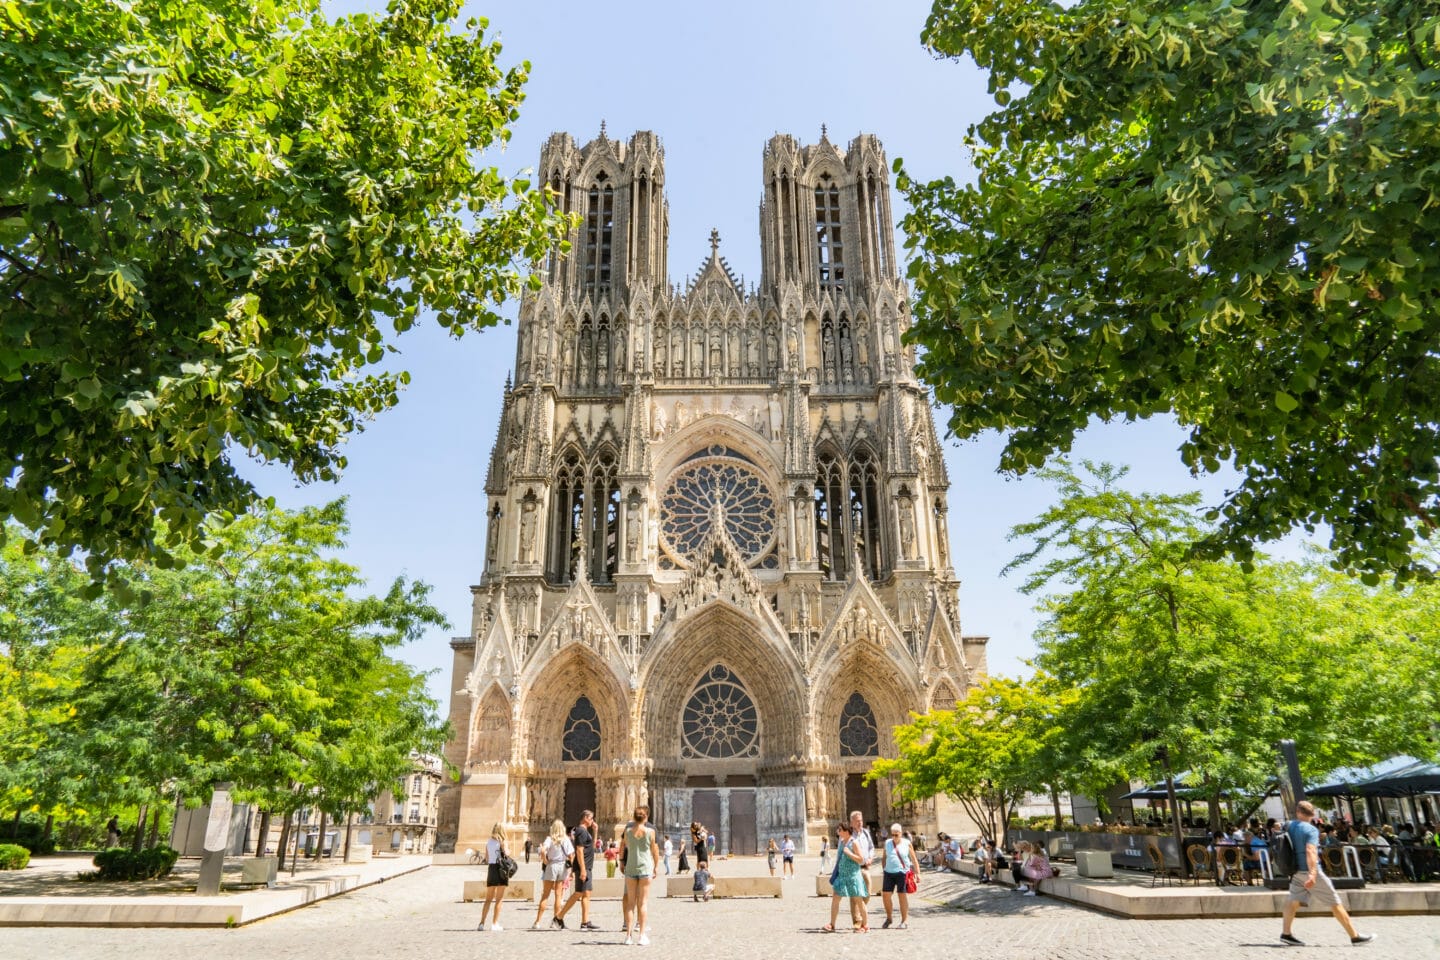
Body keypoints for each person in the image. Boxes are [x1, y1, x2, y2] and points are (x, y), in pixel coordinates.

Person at [1280, 800, 1375, 947]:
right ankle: (1354, 936)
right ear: (1312, 814)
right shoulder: (1311, 830)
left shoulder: (1290, 826)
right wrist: (1312, 874)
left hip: (1295, 870)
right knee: (1335, 902)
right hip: (1310, 871)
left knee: (1293, 900)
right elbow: (1311, 851)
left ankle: (1286, 933)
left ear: (1298, 812)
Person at [621, 805, 661, 946]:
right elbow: (654, 850)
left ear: (633, 817)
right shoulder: (650, 832)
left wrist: (621, 862)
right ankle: (642, 935)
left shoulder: (627, 831)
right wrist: (656, 866)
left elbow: (623, 847)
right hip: (645, 868)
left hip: (630, 868)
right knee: (642, 903)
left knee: (630, 904)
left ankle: (628, 936)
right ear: (645, 817)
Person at [554, 809, 598, 931]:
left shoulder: (585, 832)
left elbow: (592, 847)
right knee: (579, 893)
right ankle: (559, 917)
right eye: (591, 818)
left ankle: (584, 922)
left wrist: (595, 830)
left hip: (587, 866)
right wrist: (582, 870)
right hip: (583, 867)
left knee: (586, 893)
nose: (592, 820)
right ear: (585, 818)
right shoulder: (581, 831)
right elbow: (579, 850)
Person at [824, 821, 869, 933]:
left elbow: (861, 859)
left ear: (846, 831)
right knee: (835, 898)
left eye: (839, 830)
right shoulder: (842, 842)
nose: (838, 832)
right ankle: (832, 924)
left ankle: (865, 926)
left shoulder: (854, 843)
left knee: (858, 900)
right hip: (842, 876)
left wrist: (849, 853)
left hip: (853, 876)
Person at [532, 819, 573, 929]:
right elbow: (571, 855)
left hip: (552, 866)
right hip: (562, 867)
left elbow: (542, 850)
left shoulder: (550, 839)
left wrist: (545, 860)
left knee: (545, 895)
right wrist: (572, 871)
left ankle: (537, 922)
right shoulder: (566, 840)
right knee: (558, 896)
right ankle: (555, 921)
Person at [880, 822, 919, 929]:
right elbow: (884, 857)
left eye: (896, 835)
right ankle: (889, 918)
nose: (894, 837)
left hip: (902, 873)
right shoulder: (888, 842)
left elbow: (914, 859)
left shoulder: (907, 843)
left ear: (901, 833)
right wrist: (884, 868)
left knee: (902, 896)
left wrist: (917, 873)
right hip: (889, 872)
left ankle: (904, 920)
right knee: (886, 895)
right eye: (892, 834)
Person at [478, 822, 509, 931]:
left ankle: (481, 923)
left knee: (488, 899)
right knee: (499, 899)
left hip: (491, 869)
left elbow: (486, 858)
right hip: (500, 870)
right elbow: (507, 854)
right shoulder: (503, 842)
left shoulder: (489, 842)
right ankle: (494, 924)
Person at [849, 810, 874, 899]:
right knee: (855, 897)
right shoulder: (848, 834)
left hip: (865, 867)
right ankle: (857, 913)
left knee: (868, 893)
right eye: (857, 821)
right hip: (853, 869)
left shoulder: (866, 833)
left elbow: (871, 847)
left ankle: (861, 910)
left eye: (861, 820)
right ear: (852, 823)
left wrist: (870, 858)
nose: (860, 823)